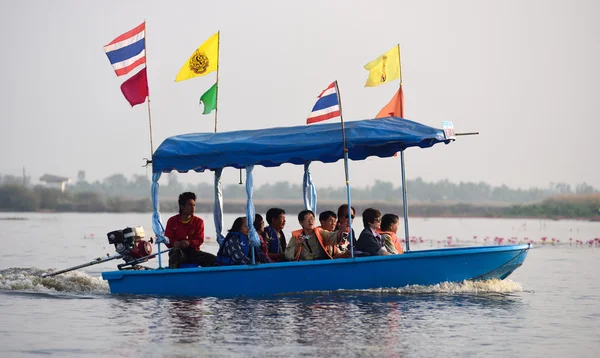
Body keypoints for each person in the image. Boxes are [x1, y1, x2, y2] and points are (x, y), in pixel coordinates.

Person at [165, 192, 216, 268]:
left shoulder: (199, 222)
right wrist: (174, 243)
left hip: (194, 253)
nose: (193, 208)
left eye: (194, 205)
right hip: (178, 252)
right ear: (182, 207)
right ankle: (172, 276)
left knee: (213, 259)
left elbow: (200, 240)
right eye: (190, 205)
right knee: (175, 253)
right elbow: (167, 239)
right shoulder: (172, 221)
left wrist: (189, 243)